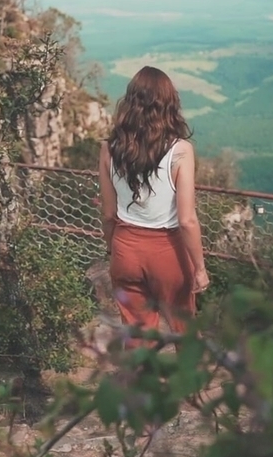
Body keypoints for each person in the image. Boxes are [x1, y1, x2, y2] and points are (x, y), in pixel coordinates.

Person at [98, 66, 210, 350]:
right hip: (167, 251)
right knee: (184, 331)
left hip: (125, 248)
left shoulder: (110, 149)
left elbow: (109, 214)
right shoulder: (180, 151)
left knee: (136, 338)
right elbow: (187, 220)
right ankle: (189, 392)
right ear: (169, 103)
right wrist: (199, 268)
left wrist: (113, 247)